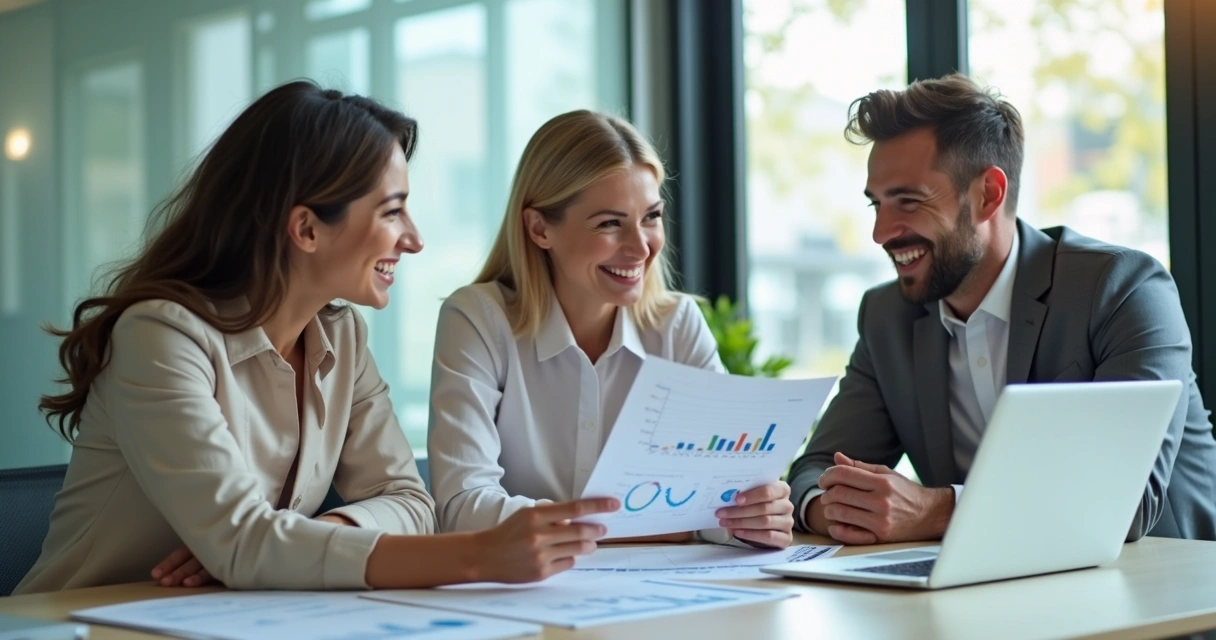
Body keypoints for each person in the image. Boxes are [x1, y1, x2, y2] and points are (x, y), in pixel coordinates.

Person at [15, 81, 616, 595]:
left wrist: (296, 543)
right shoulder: (161, 336)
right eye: (392, 212)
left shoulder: (341, 339)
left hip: (224, 619)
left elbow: (411, 501)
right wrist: (481, 556)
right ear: (305, 228)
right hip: (75, 624)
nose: (413, 239)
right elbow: (243, 543)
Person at [787, 73, 1216, 545]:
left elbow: (1127, 505)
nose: (882, 232)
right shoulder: (887, 317)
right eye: (877, 205)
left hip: (1161, 596)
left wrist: (939, 510)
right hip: (981, 596)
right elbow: (815, 470)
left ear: (988, 194)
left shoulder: (1122, 289)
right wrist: (841, 510)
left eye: (908, 201)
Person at [427, 110, 796, 549]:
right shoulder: (478, 320)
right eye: (609, 223)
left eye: (651, 217)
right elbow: (463, 508)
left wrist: (754, 516)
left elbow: (716, 502)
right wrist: (661, 525)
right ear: (540, 228)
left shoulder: (677, 325)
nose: (641, 247)